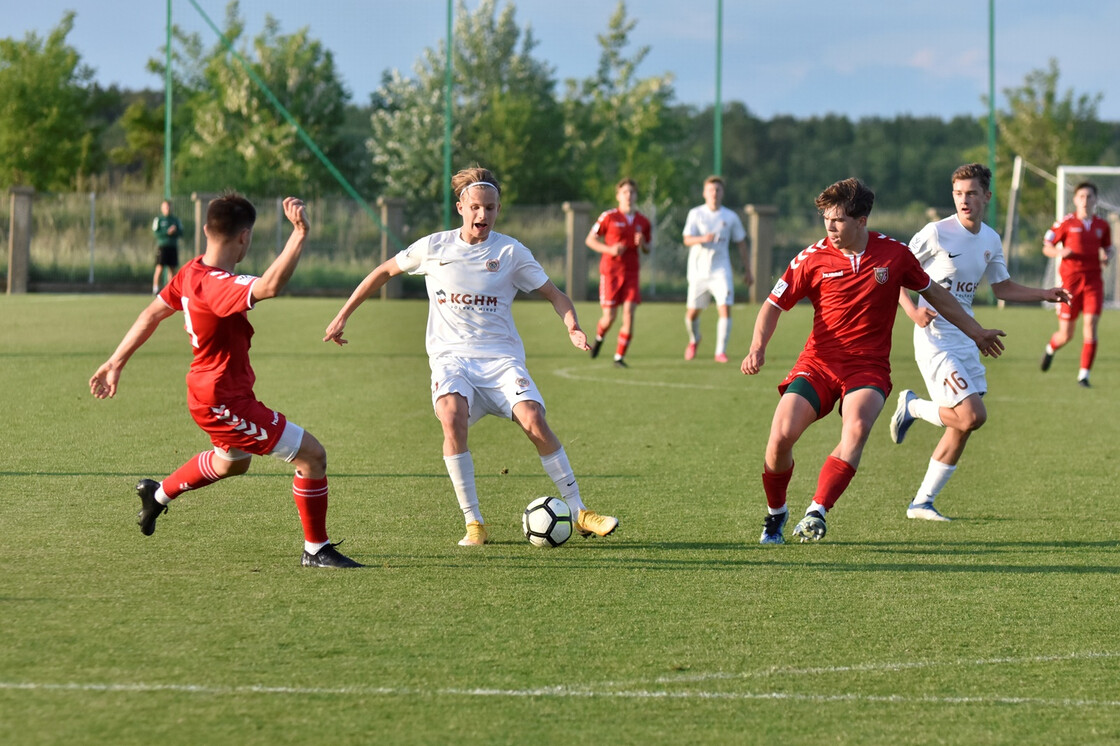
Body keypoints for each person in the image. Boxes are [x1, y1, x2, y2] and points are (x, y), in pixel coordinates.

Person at [324, 166, 619, 547]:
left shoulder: (511, 252)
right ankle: (474, 522)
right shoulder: (434, 247)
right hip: (452, 360)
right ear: (461, 206)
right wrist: (343, 314)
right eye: (476, 207)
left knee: (534, 419)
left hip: (500, 360)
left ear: (498, 209)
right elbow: (383, 271)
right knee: (451, 416)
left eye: (491, 208)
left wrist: (573, 326)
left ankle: (578, 511)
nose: (483, 215)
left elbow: (555, 295)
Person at [90, 192, 361, 569]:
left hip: (212, 392)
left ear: (205, 229)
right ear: (245, 237)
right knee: (312, 456)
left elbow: (151, 314)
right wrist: (299, 233)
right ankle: (316, 549)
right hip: (223, 400)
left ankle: (158, 495)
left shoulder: (191, 272)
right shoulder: (217, 285)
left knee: (231, 463)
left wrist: (115, 362)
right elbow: (269, 287)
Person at [741, 178, 1006, 545]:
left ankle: (817, 511)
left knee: (856, 430)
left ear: (861, 220)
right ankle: (776, 514)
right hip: (818, 363)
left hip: (868, 368)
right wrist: (757, 347)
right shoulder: (811, 258)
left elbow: (936, 295)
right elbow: (773, 304)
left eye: (839, 221)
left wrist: (976, 331)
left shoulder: (894, 255)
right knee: (781, 437)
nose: (830, 228)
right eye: (826, 220)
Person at [889, 163, 1070, 521]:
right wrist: (912, 311)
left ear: (986, 196)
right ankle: (912, 408)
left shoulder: (989, 238)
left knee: (965, 424)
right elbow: (894, 271)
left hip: (968, 334)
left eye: (971, 193)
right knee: (971, 415)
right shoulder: (936, 233)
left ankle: (922, 503)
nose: (964, 200)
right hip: (935, 336)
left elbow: (1002, 287)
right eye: (958, 193)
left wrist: (1044, 293)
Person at [1038, 181, 1114, 387]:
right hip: (1070, 286)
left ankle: (1084, 375)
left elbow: (1109, 248)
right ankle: (1051, 348)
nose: (1085, 200)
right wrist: (1059, 252)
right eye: (1082, 196)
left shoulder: (1102, 225)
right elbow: (1047, 246)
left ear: (1096, 200)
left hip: (1093, 283)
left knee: (1090, 327)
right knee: (1066, 335)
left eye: (1090, 197)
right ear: (1075, 199)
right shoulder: (1066, 223)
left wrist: (1107, 256)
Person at [681, 175, 751, 363]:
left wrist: (748, 270)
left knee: (725, 309)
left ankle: (720, 351)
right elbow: (687, 239)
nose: (714, 193)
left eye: (718, 190)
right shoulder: (696, 214)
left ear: (722, 193)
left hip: (721, 270)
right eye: (711, 189)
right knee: (692, 314)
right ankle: (694, 339)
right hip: (698, 271)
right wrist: (703, 239)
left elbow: (741, 243)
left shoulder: (730, 217)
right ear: (704, 193)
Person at [585, 178, 652, 368]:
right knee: (609, 317)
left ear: (636, 195)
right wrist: (610, 249)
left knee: (629, 315)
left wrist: (643, 245)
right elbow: (590, 240)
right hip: (611, 273)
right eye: (625, 192)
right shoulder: (609, 217)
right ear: (618, 195)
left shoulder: (643, 222)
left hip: (631, 273)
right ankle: (599, 337)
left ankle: (619, 357)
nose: (628, 196)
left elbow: (648, 248)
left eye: (632, 192)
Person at [152, 199, 184, 294]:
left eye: (169, 206)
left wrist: (174, 232)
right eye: (166, 207)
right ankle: (156, 288)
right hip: (162, 247)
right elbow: (155, 233)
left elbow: (181, 232)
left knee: (172, 269)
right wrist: (167, 232)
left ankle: (170, 290)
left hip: (172, 247)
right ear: (162, 208)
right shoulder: (159, 219)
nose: (168, 208)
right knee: (159, 268)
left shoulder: (175, 220)